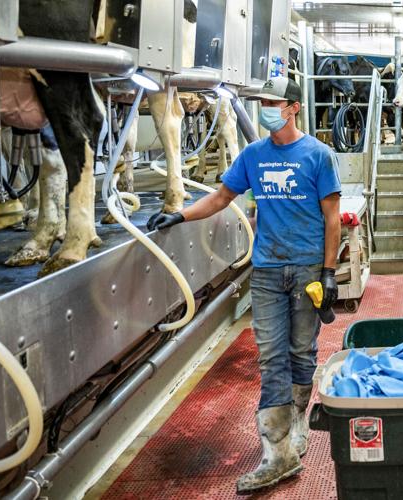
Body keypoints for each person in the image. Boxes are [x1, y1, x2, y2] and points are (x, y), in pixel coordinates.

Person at [146, 76, 341, 493]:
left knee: (301, 351)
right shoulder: (254, 155)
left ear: (293, 108)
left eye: (272, 102)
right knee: (271, 357)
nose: (265, 108)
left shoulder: (318, 155)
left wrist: (329, 272)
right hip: (268, 269)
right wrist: (180, 215)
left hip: (307, 269)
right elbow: (220, 198)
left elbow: (332, 219)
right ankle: (277, 454)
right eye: (261, 102)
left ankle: (297, 420)